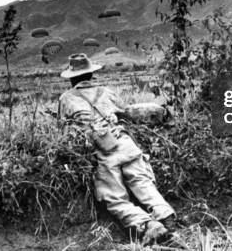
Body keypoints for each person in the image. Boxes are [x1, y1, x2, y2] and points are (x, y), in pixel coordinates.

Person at [57, 53, 177, 244]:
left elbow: (64, 135)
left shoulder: (66, 98)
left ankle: (146, 225)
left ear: (71, 78)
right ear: (91, 75)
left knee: (114, 198)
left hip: (103, 151)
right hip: (126, 143)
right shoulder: (107, 91)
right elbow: (126, 114)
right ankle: (165, 216)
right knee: (143, 183)